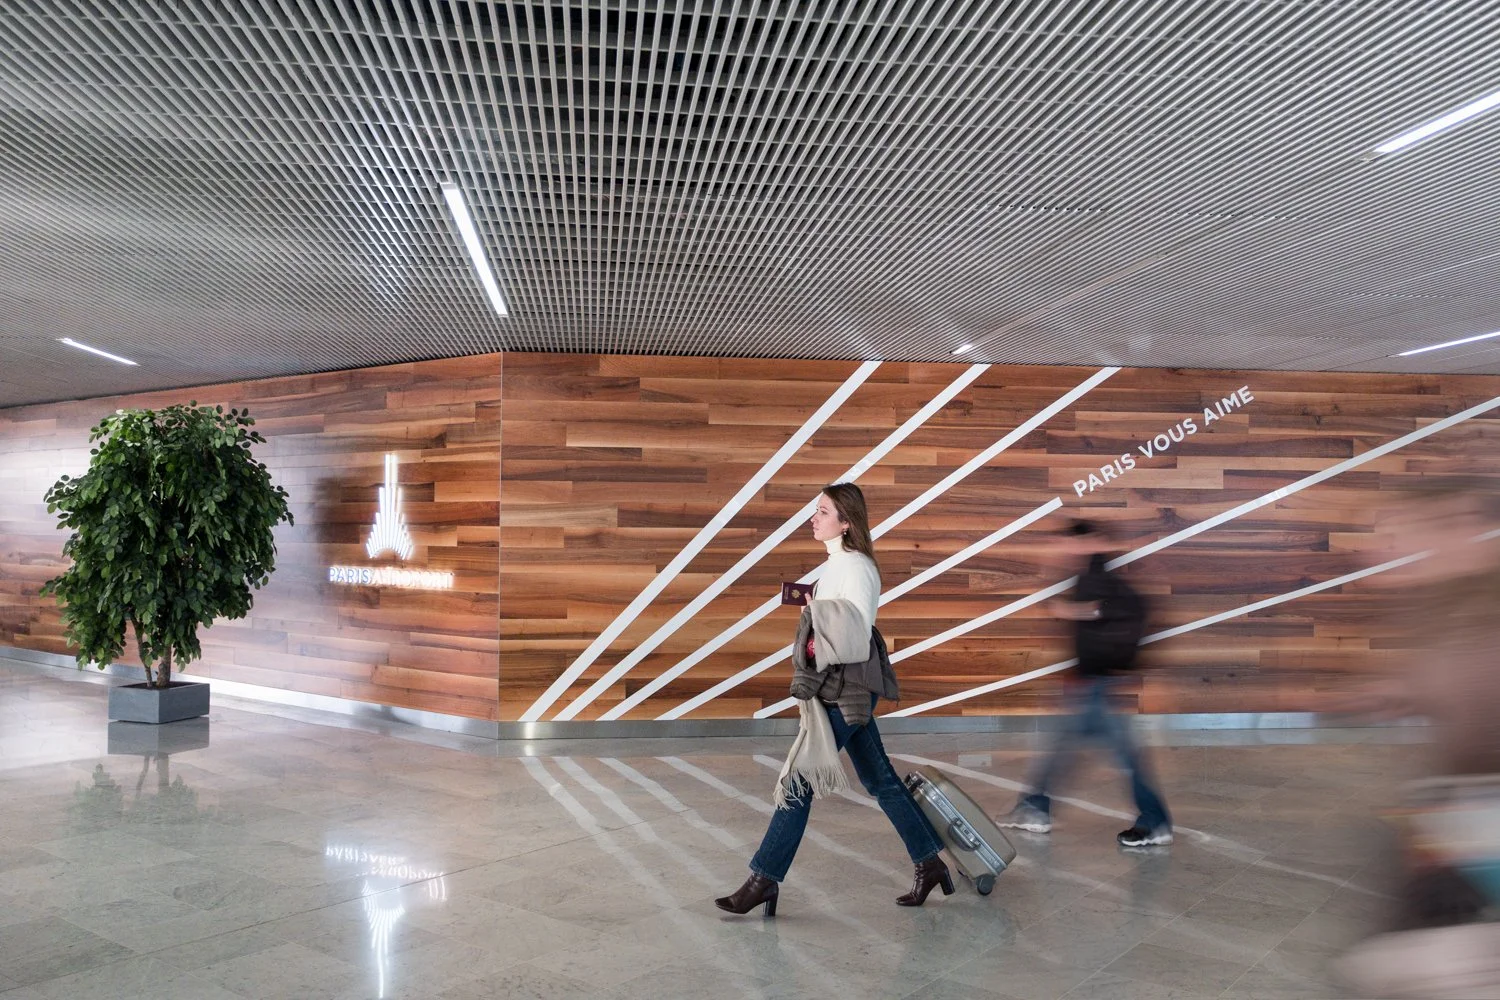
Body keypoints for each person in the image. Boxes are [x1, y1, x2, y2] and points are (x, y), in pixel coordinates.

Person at [715, 482, 951, 916]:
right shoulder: (835, 566)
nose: (814, 517)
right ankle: (930, 862)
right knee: (880, 781)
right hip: (839, 687)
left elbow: (855, 638)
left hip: (848, 689)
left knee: (800, 782)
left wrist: (815, 629)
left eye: (823, 511)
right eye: (816, 510)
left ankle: (763, 880)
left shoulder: (857, 567)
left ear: (846, 523)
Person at [997, 519, 1173, 848]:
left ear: (1088, 541)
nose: (1061, 549)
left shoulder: (1097, 574)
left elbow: (1119, 608)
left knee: (1123, 756)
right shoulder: (1089, 574)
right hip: (1089, 683)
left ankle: (1155, 821)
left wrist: (1070, 610)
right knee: (1062, 749)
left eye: (1067, 542)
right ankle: (1035, 808)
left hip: (1098, 685)